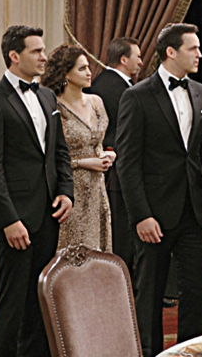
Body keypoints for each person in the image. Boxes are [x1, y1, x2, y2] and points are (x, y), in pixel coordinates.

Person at [0, 25, 73, 357]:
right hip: (15, 220)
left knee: (40, 299)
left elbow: (59, 151)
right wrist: (8, 220)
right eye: (36, 51)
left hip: (48, 215)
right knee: (12, 303)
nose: (45, 56)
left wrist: (67, 191)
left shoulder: (46, 96)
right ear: (15, 56)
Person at [116, 23, 202, 355]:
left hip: (195, 210)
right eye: (193, 48)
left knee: (197, 292)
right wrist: (141, 215)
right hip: (154, 213)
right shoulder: (137, 96)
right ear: (170, 52)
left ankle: (190, 353)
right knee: (150, 294)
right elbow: (127, 163)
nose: (200, 53)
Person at [44, 44, 114, 251]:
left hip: (97, 189)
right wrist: (84, 162)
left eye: (88, 67)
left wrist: (107, 156)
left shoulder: (96, 102)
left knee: (98, 253)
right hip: (70, 188)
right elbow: (52, 156)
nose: (89, 73)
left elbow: (98, 143)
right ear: (65, 72)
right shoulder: (54, 106)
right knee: (72, 252)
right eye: (82, 68)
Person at [85, 37, 141, 275]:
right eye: (138, 56)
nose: (141, 61)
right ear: (124, 59)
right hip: (114, 172)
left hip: (111, 169)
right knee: (120, 235)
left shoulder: (101, 83)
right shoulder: (119, 89)